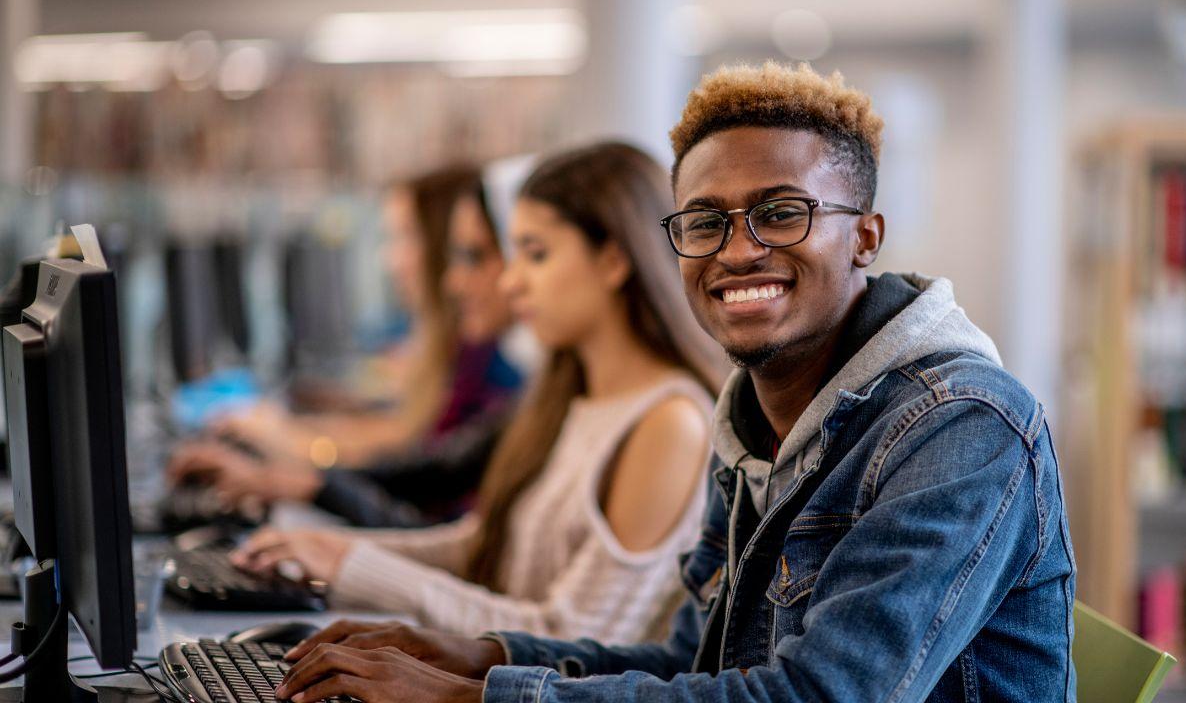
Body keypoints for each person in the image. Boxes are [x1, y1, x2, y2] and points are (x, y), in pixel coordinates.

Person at [272, 62, 1077, 703]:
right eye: (705, 222)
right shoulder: (755, 416)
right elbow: (693, 658)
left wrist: (473, 698)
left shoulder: (961, 427)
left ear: (865, 237)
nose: (736, 250)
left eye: (782, 213)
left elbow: (819, 696)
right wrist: (476, 657)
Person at [234, 141, 726, 645]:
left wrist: (351, 566)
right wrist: (332, 552)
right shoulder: (572, 398)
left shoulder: (669, 421)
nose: (510, 283)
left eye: (535, 254)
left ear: (614, 260)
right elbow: (484, 546)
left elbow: (573, 640)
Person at [170, 165, 526, 526]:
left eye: (403, 237)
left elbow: (413, 464)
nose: (389, 260)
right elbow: (419, 462)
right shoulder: (479, 360)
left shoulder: (494, 368)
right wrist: (295, 464)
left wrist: (299, 454)